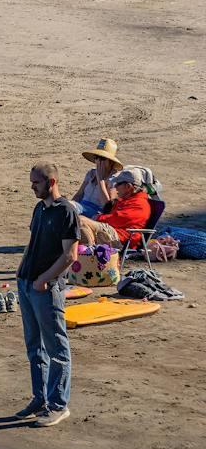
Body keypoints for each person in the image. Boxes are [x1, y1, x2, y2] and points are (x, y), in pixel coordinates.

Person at [16, 162, 79, 427]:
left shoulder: (66, 212)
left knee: (56, 348)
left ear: (51, 182)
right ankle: (39, 398)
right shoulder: (40, 209)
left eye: (36, 183)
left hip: (46, 288)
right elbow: (34, 243)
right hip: (27, 283)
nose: (32, 187)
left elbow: (70, 255)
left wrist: (44, 279)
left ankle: (57, 405)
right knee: (34, 347)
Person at [94, 170, 153, 243]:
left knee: (83, 222)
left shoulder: (139, 204)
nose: (115, 186)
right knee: (81, 224)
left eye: (118, 184)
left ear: (128, 186)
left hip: (122, 237)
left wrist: (97, 218)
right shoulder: (127, 200)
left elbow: (117, 219)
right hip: (114, 232)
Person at [72, 139, 124, 217]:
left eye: (102, 158)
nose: (99, 161)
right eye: (97, 157)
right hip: (81, 206)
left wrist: (100, 179)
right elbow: (79, 194)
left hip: (97, 212)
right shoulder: (91, 173)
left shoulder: (114, 179)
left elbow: (107, 206)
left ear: (111, 162)